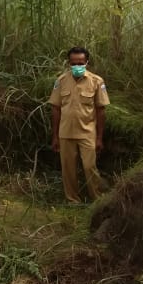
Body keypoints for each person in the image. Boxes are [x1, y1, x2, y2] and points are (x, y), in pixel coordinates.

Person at [49, 47, 110, 204]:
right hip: (65, 133)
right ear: (69, 63)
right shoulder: (61, 81)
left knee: (90, 167)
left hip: (87, 133)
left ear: (87, 62)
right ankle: (73, 202)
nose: (77, 66)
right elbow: (55, 109)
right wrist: (55, 136)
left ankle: (97, 200)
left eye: (80, 63)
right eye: (73, 63)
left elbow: (100, 110)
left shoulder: (96, 82)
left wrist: (99, 138)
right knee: (68, 170)